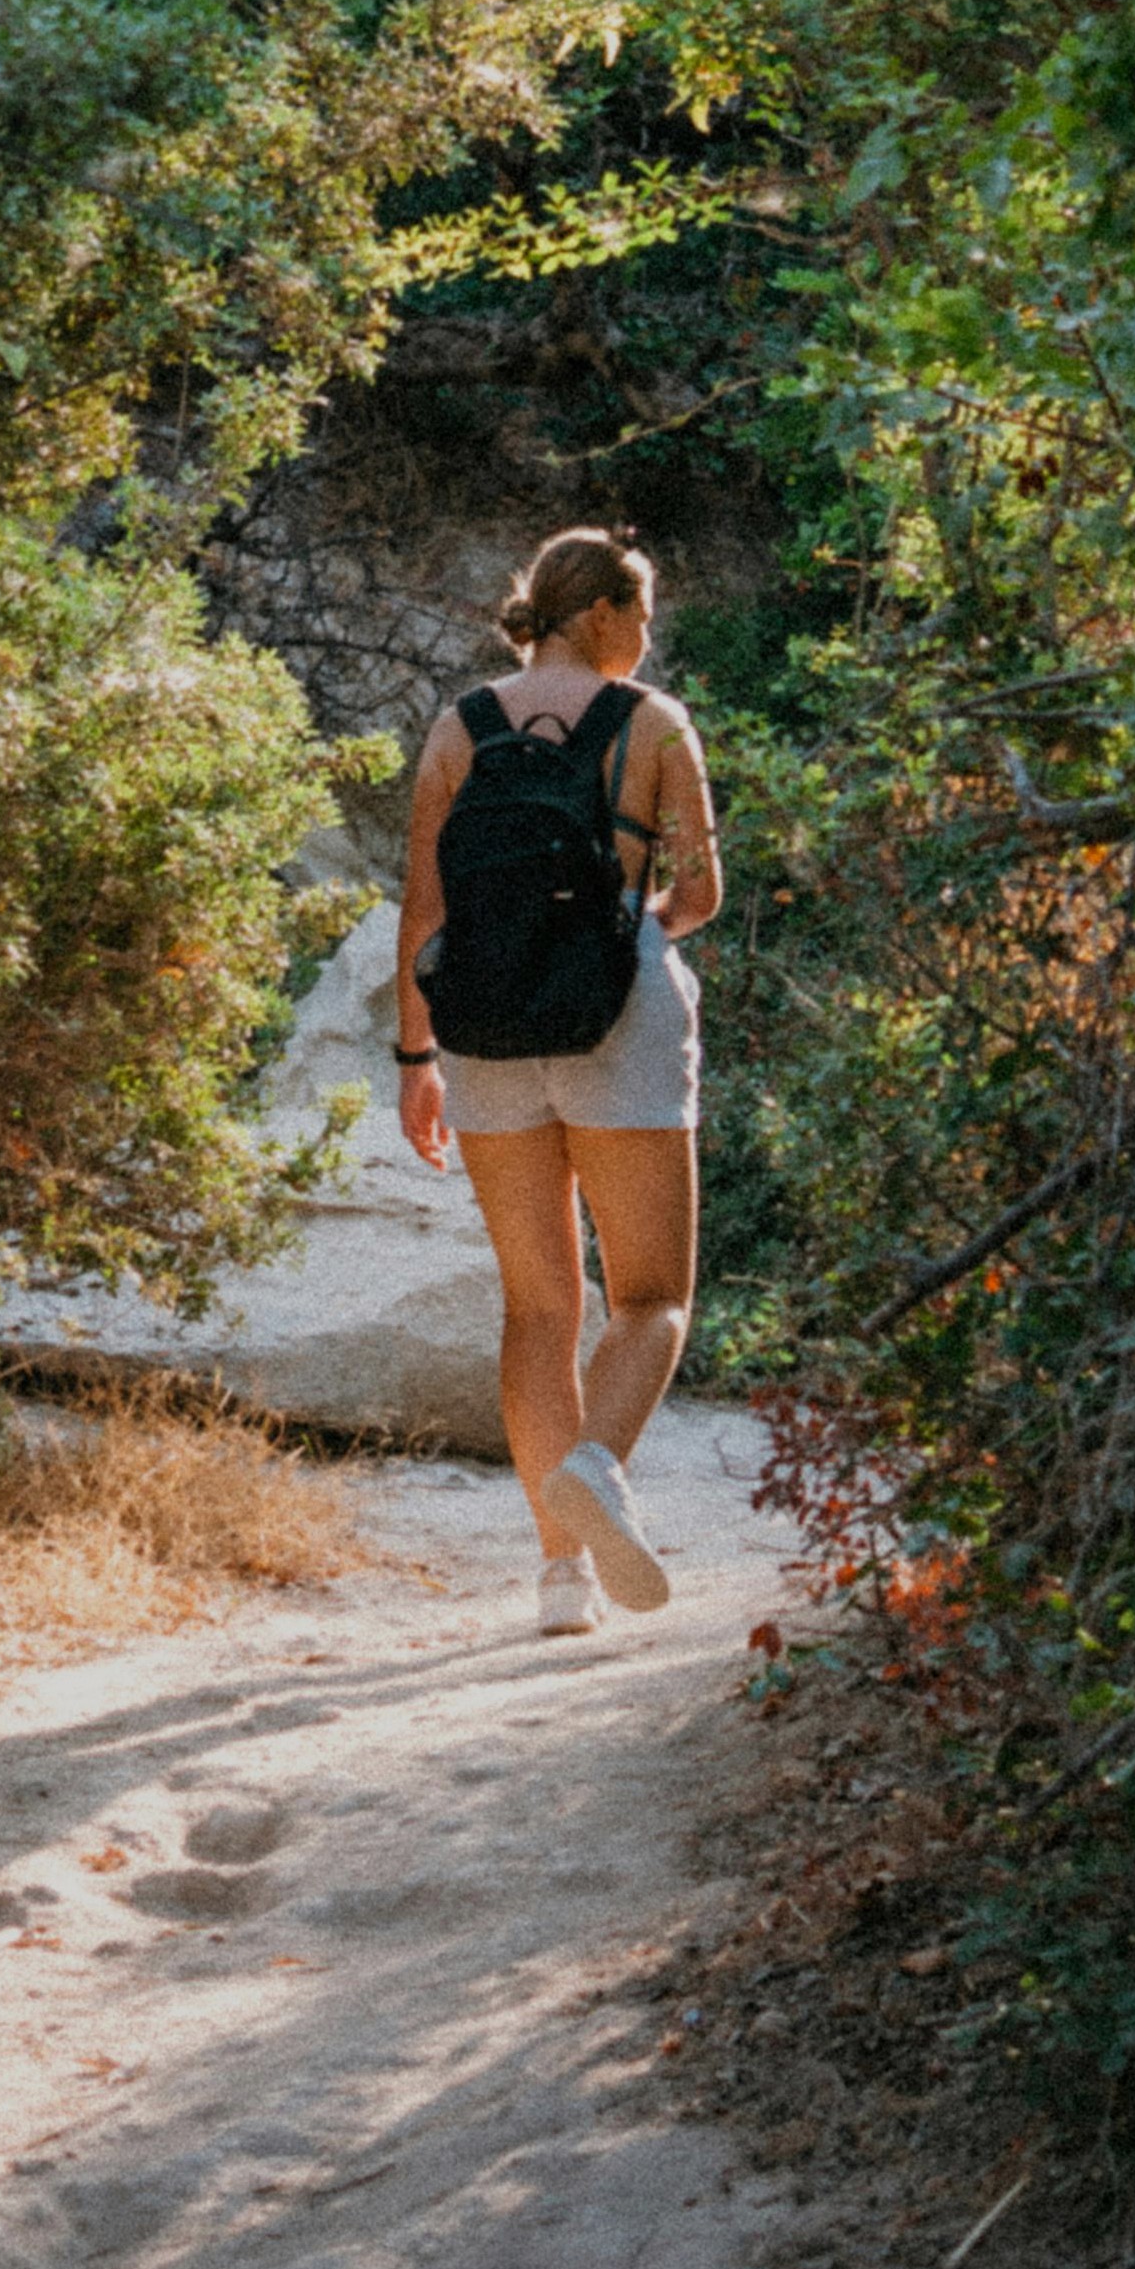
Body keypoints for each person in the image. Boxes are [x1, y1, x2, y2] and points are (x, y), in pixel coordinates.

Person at [396, 525, 720, 1638]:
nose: (647, 635)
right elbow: (698, 890)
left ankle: (560, 1583)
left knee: (539, 1307)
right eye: (640, 612)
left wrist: (412, 1060)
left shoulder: (460, 726)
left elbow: (424, 915)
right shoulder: (654, 724)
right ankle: (598, 1465)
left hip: (481, 1029)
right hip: (616, 1017)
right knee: (652, 1300)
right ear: (599, 614)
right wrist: (639, 940)